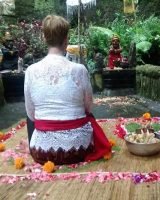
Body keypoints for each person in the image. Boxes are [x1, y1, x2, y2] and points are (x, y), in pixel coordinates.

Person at [24, 15, 111, 165]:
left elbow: (31, 114)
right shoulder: (79, 70)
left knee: (32, 118)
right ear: (66, 40)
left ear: (45, 38)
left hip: (41, 151)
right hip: (78, 149)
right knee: (87, 116)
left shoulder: (31, 71)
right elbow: (89, 107)